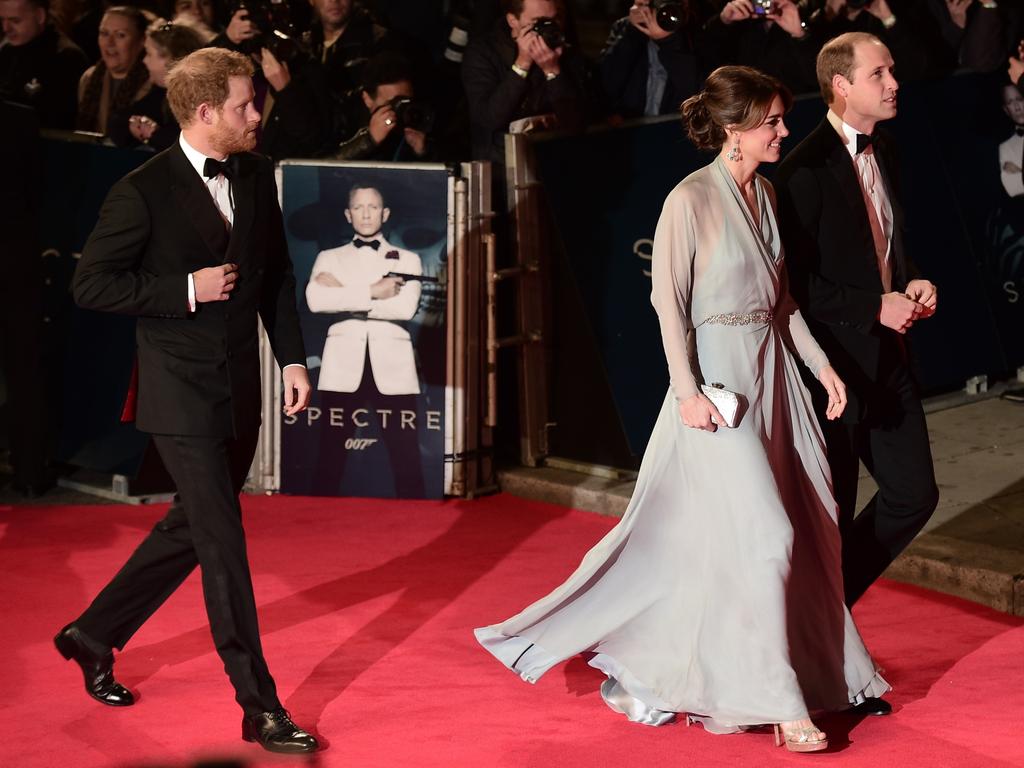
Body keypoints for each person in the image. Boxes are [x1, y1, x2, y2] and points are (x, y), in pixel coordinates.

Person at [475, 65, 889, 753]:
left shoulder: (768, 196)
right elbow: (668, 305)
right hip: (717, 392)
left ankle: (809, 672)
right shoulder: (687, 201)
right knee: (768, 538)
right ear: (735, 129)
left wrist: (821, 369)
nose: (784, 131)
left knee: (807, 528)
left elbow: (782, 305)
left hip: (775, 382)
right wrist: (688, 392)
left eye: (783, 120)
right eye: (772, 122)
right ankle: (783, 706)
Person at [58, 47, 318, 755]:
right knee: (223, 542)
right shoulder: (142, 191)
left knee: (193, 529)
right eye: (245, 103)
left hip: (240, 387)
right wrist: (183, 290)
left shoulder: (258, 172)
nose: (257, 113)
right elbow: (92, 286)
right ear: (206, 112)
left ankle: (91, 635)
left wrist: (293, 358)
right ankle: (259, 706)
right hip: (178, 392)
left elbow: (276, 279)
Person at [774, 33, 939, 624]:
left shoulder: (886, 149)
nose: (894, 83)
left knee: (914, 496)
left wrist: (913, 280)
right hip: (833, 373)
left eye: (892, 70)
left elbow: (884, 247)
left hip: (888, 360)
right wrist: (874, 306)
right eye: (879, 74)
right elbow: (792, 284)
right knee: (833, 513)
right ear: (841, 86)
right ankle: (822, 646)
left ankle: (825, 615)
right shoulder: (801, 170)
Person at [306, 183, 423, 395]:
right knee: (336, 429)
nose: (366, 215)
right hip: (340, 369)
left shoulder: (408, 260)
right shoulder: (329, 258)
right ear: (348, 214)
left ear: (385, 214)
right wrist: (373, 291)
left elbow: (404, 309)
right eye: (358, 208)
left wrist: (342, 291)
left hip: (394, 370)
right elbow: (316, 302)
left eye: (374, 207)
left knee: (397, 428)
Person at [461, 0, 588, 167]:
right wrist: (522, 65)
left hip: (554, 166)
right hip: (500, 171)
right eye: (539, 22)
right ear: (513, 20)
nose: (548, 28)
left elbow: (577, 124)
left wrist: (553, 72)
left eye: (554, 20)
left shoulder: (567, 54)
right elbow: (487, 120)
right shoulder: (483, 53)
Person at [107, 17, 206, 150]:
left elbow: (191, 143)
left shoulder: (202, 97)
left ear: (170, 60)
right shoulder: (162, 92)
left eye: (148, 54)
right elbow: (117, 122)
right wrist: (134, 125)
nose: (144, 61)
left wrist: (154, 134)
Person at [598, 0, 704, 119]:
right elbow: (606, 84)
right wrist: (632, 30)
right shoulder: (626, 27)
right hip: (631, 127)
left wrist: (668, 42)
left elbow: (696, 94)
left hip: (674, 127)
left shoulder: (696, 32)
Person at [330, 50, 435, 161]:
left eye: (406, 101)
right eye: (392, 103)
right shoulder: (342, 119)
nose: (400, 109)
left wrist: (422, 152)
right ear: (367, 99)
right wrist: (369, 140)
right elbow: (322, 168)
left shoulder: (417, 118)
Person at [0, 0, 89, 129]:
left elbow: (60, 123)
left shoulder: (67, 59)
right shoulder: (6, 52)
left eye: (15, 21)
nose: (5, 28)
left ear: (40, 16)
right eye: (2, 20)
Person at [76, 5, 152, 134]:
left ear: (141, 41)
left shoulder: (153, 83)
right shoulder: (89, 78)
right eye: (104, 34)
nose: (109, 42)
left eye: (120, 35)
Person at [999, 81, 1024, 198]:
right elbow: (1012, 188)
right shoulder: (1005, 148)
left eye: (1019, 99)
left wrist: (1019, 171)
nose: (1016, 107)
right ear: (1006, 110)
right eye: (1010, 102)